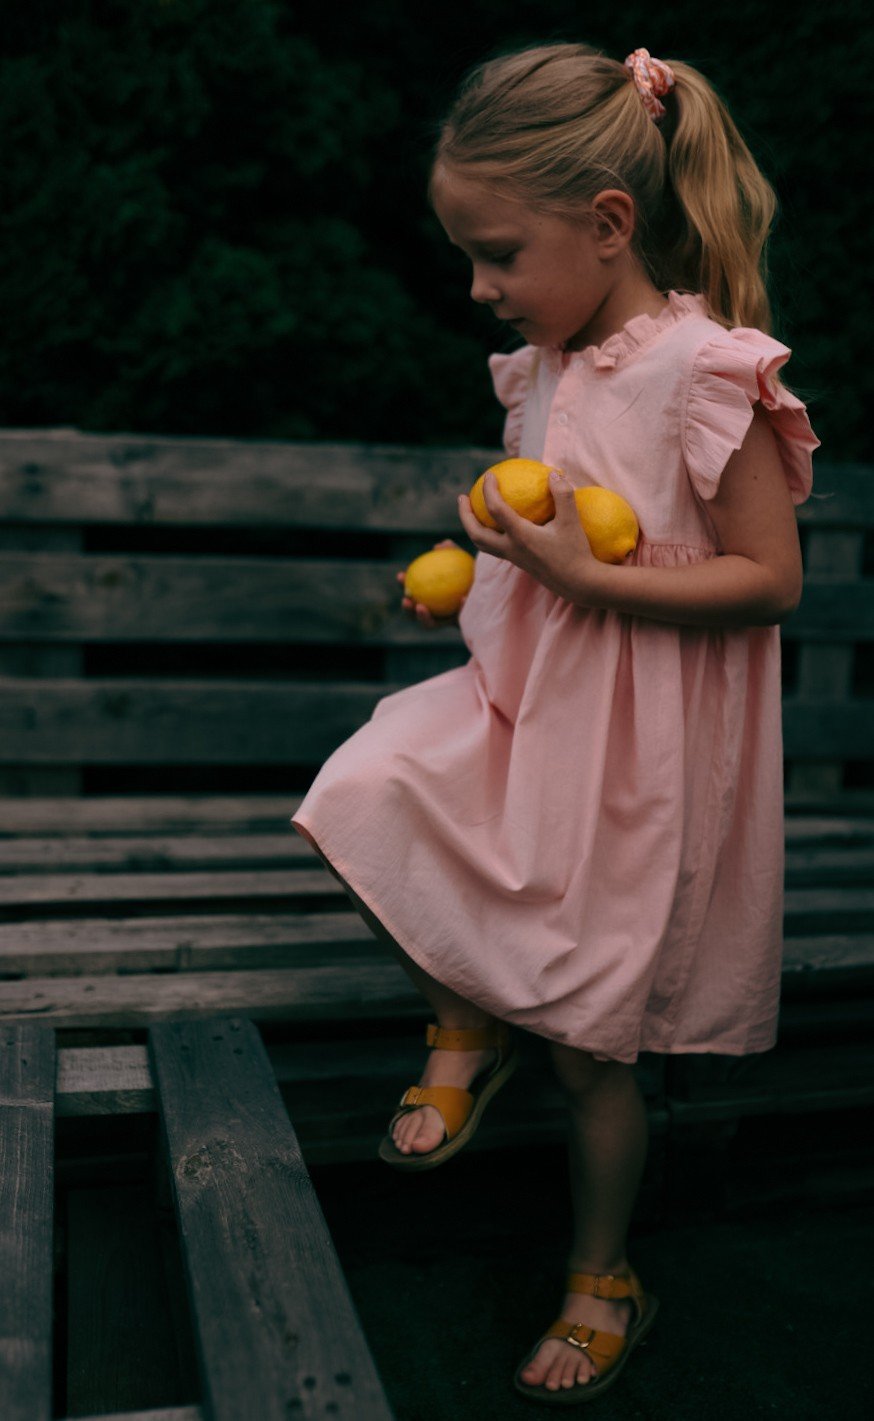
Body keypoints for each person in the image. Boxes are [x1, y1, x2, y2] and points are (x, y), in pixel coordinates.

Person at [292, 42, 819, 1404]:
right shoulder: (538, 358)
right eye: (468, 254)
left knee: (595, 1045)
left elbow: (768, 579)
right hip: (518, 709)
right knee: (361, 787)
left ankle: (602, 1275)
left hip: (631, 764)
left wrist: (585, 574)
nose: (476, 285)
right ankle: (464, 1028)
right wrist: (474, 553)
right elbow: (544, 515)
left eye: (497, 252)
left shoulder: (710, 371)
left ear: (605, 225)